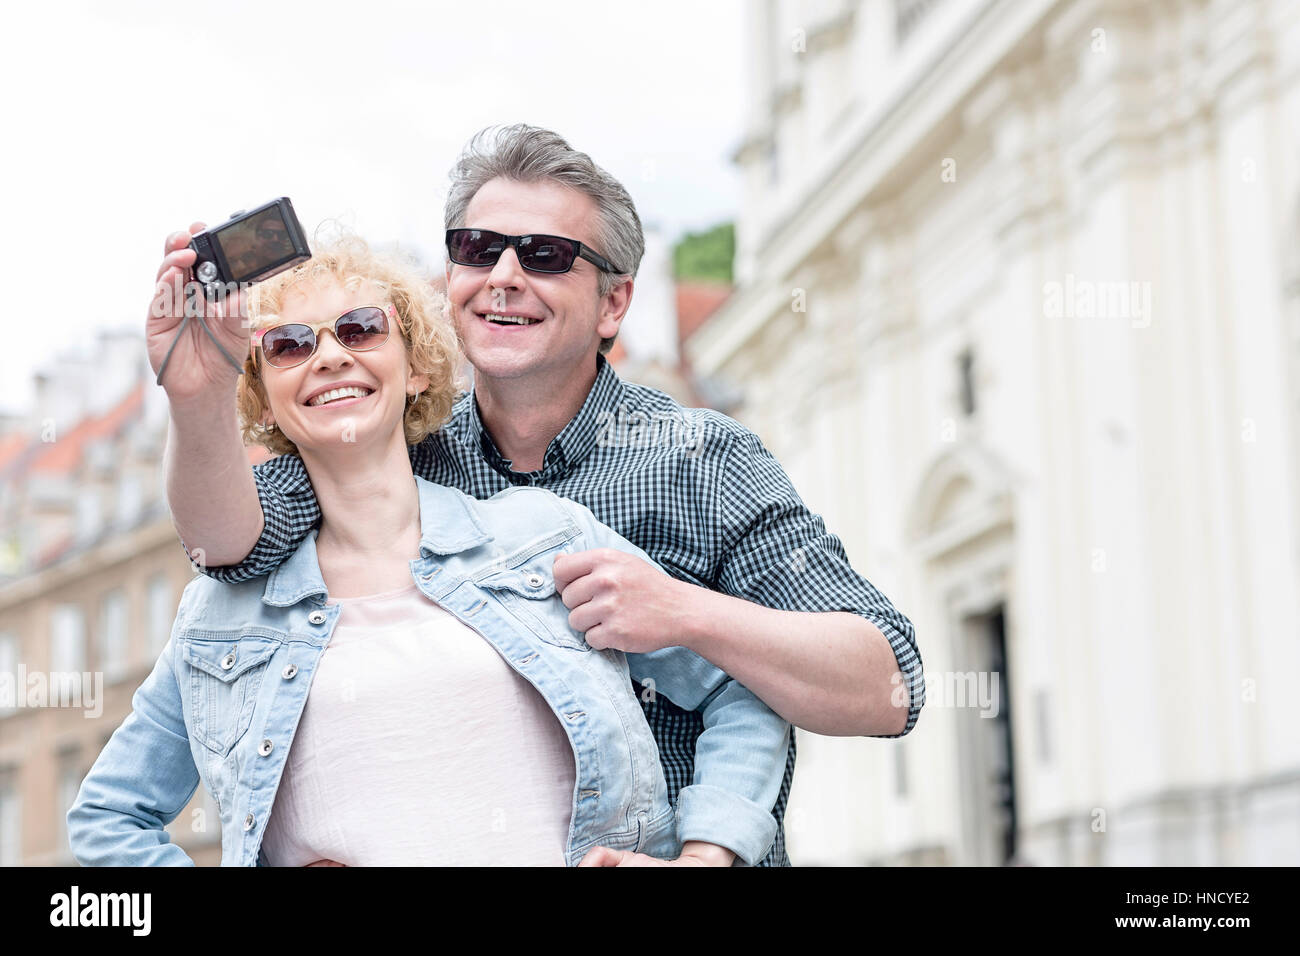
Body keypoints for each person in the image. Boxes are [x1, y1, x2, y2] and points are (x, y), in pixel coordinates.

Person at [154, 125, 925, 866]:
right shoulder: (388, 445)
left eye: (547, 255)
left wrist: (684, 612)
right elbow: (225, 545)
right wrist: (196, 397)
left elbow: (888, 684)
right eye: (477, 249)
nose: (504, 276)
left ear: (615, 304)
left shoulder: (704, 458)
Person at [67, 234, 791, 866]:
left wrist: (707, 853)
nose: (327, 356)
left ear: (415, 368)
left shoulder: (545, 537)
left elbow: (740, 681)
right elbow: (107, 818)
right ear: (263, 397)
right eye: (289, 344)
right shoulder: (222, 617)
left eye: (359, 329)